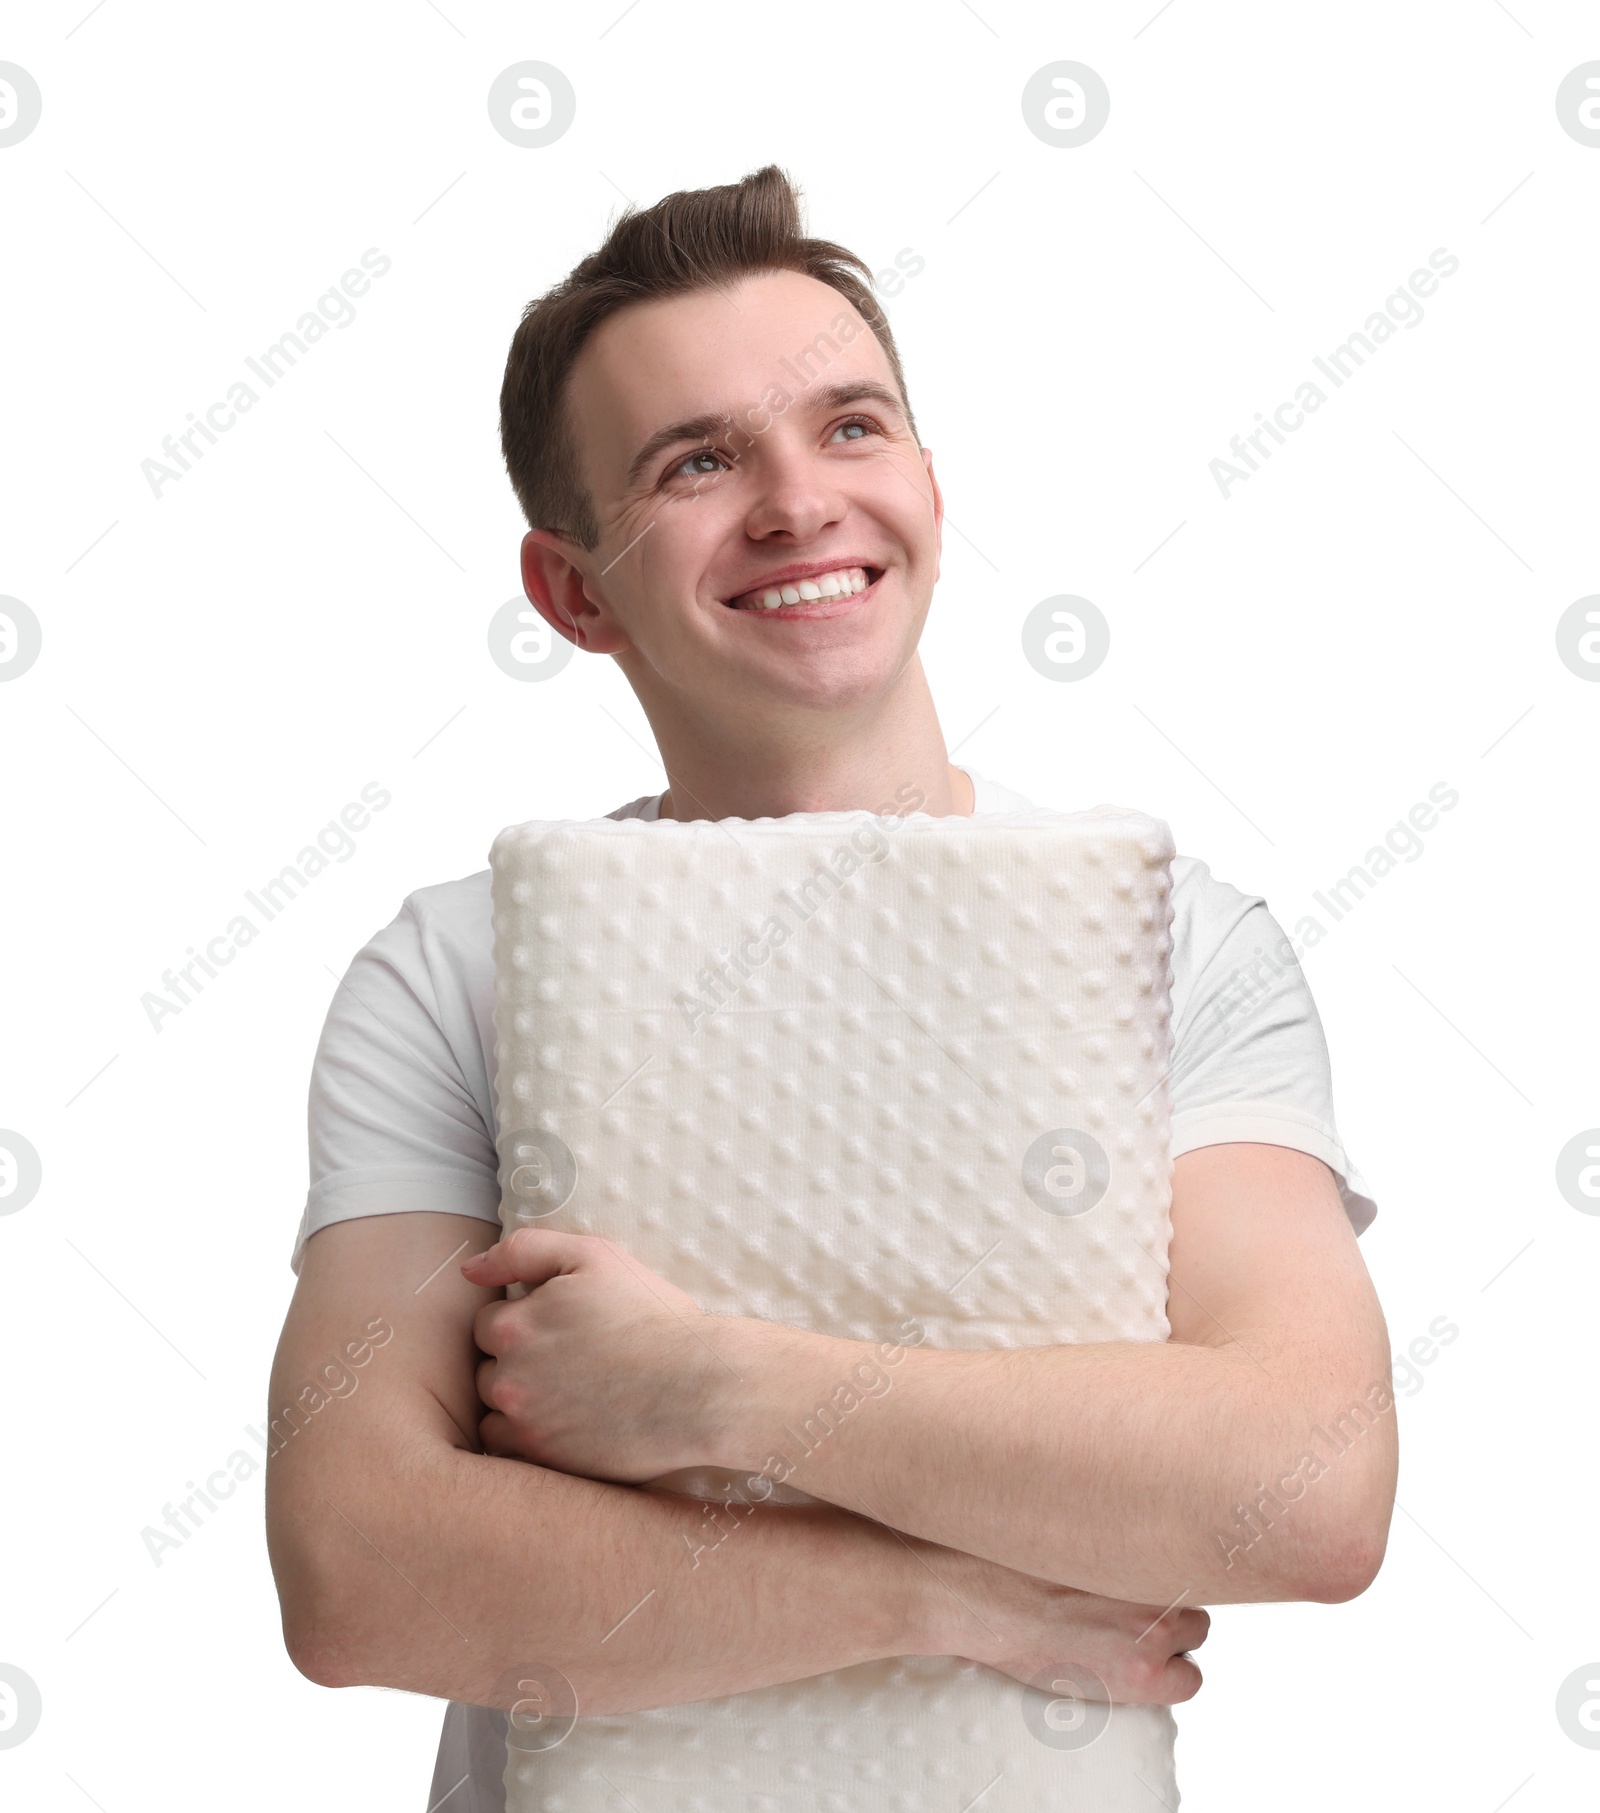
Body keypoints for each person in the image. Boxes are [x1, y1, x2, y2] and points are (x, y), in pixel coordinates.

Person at [264, 165, 1396, 1810]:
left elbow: (1307, 1487)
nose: (800, 503)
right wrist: (950, 1593)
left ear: (932, 481)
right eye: (700, 461)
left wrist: (714, 1385)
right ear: (574, 591)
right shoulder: (457, 968)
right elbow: (360, 1569)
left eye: (852, 428)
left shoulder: (1174, 937)